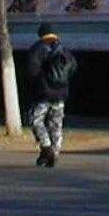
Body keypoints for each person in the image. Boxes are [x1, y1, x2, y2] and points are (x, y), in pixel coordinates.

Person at [25, 22, 77, 168]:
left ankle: (46, 147)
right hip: (61, 93)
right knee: (56, 124)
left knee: (36, 120)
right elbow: (73, 67)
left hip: (43, 94)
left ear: (41, 33)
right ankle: (55, 151)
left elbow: (31, 71)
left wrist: (37, 84)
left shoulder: (37, 48)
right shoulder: (63, 49)